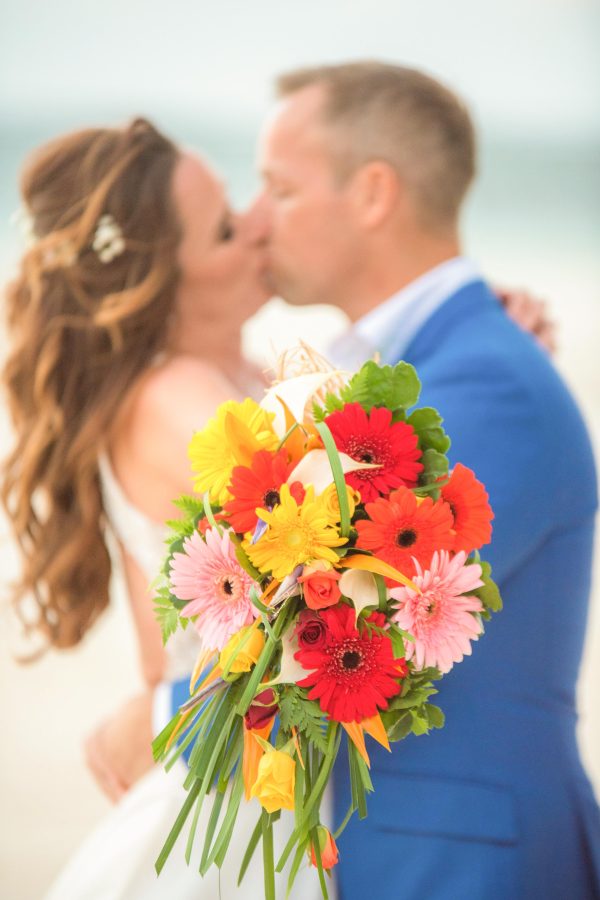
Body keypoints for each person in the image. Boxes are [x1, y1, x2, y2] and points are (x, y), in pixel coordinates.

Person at [162, 62, 598, 898]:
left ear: (372, 194)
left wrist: (154, 714)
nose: (255, 221)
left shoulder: (486, 384)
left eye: (278, 189)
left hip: (467, 867)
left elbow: (321, 635)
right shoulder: (420, 368)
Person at [1, 118, 320, 898]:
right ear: (163, 282)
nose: (257, 225)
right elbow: (328, 559)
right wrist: (160, 711)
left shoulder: (229, 375)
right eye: (222, 229)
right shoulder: (177, 402)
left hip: (247, 769)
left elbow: (160, 646)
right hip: (237, 800)